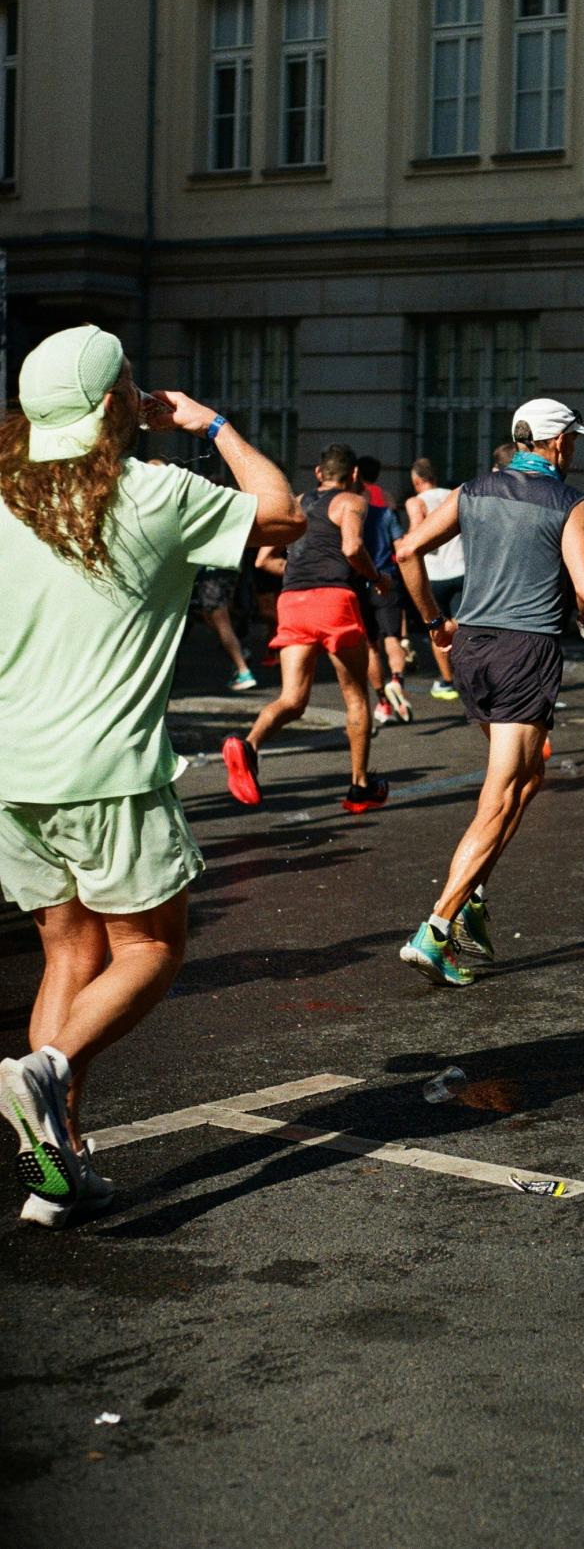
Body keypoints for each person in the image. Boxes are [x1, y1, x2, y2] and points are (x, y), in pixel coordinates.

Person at [0, 324, 303, 1226]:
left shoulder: (5, 498)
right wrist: (211, 425)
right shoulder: (153, 492)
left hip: (12, 770)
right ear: (116, 407)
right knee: (150, 948)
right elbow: (283, 512)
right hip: (109, 771)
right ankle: (40, 1075)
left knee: (71, 952)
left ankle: (59, 1162)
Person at [397, 398, 584, 987]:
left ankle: (474, 889)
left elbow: (406, 551)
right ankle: (438, 927)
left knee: (530, 774)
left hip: (471, 649)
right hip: (525, 652)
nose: (575, 449)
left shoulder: (472, 489)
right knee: (502, 790)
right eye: (574, 440)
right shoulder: (570, 503)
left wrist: (435, 622)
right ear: (558, 443)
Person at [222, 444, 391, 812]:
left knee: (293, 699)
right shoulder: (351, 501)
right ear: (355, 476)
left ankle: (247, 744)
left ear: (318, 473)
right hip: (334, 600)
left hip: (293, 601)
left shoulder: (297, 502)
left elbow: (266, 559)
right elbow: (351, 547)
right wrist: (376, 578)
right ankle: (360, 788)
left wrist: (302, 572)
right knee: (355, 696)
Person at [354, 457, 413, 727]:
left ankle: (383, 703)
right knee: (393, 637)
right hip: (387, 579)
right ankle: (397, 681)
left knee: (371, 646)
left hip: (360, 582)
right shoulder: (386, 509)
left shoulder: (351, 513)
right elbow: (401, 548)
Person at [407, 458, 466, 701]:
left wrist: (402, 541)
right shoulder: (455, 495)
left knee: (437, 628)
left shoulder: (416, 501)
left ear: (418, 481)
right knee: (465, 625)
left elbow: (416, 535)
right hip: (461, 568)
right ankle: (471, 675)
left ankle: (448, 682)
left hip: (434, 574)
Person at [192, 564, 257, 690]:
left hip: (213, 572)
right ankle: (239, 651)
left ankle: (243, 671)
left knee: (222, 623)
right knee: (210, 616)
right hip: (223, 570)